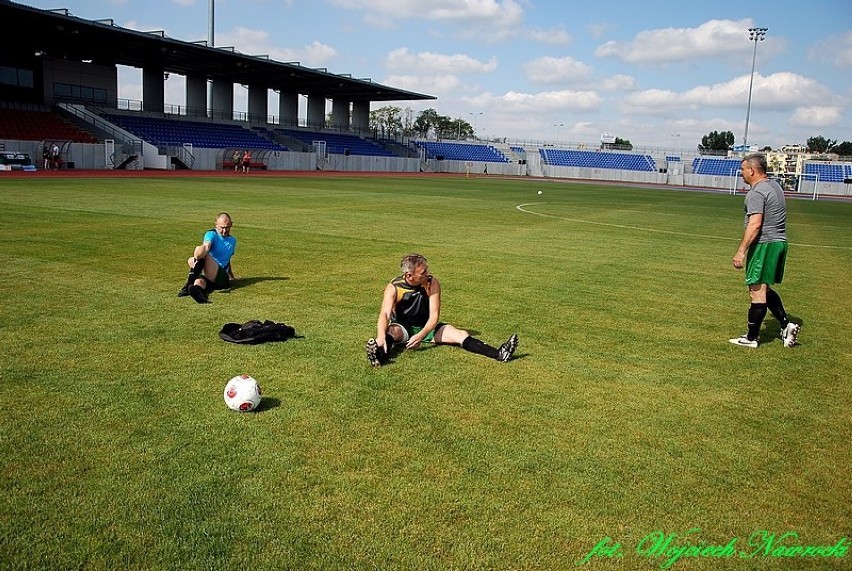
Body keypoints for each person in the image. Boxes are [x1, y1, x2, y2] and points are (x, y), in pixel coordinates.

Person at [366, 253, 518, 366]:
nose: (428, 273)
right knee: (390, 333)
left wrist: (421, 335)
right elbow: (385, 314)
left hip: (428, 327)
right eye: (423, 272)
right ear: (409, 275)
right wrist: (380, 335)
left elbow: (434, 316)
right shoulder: (394, 286)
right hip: (402, 327)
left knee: (460, 334)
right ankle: (378, 356)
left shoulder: (432, 283)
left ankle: (499, 353)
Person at [729, 154, 800, 348]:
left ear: (752, 170)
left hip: (764, 244)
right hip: (779, 243)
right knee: (764, 288)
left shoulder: (756, 193)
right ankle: (786, 325)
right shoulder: (775, 185)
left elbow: (755, 224)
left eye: (743, 169)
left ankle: (751, 338)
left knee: (757, 291)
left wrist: (741, 251)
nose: (741, 173)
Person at [178, 212, 237, 304]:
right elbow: (206, 246)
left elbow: (227, 259)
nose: (224, 231)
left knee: (200, 256)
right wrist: (197, 256)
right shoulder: (211, 234)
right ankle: (198, 293)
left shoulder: (232, 241)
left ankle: (188, 283)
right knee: (199, 282)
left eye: (227, 227)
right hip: (209, 275)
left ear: (231, 225)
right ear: (216, 225)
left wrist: (231, 275)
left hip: (221, 277)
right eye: (222, 228)